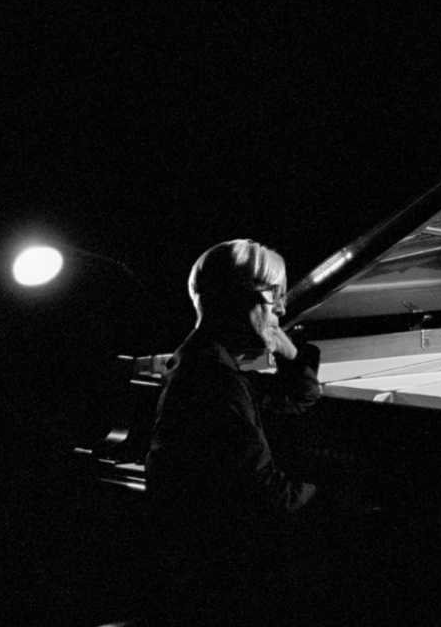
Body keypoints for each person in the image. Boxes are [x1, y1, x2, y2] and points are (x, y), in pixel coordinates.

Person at [143, 239, 321, 622]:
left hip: (208, 561)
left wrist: (287, 350)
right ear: (237, 299)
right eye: (274, 296)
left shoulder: (203, 362)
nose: (282, 309)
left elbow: (298, 397)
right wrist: (330, 493)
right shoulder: (213, 381)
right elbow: (272, 498)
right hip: (217, 580)